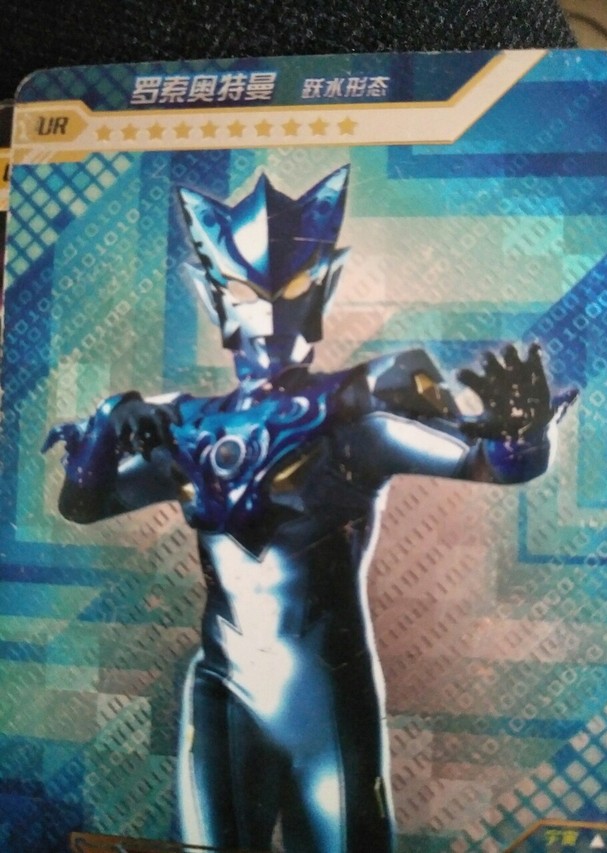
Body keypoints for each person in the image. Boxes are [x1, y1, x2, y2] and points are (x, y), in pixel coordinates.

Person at [43, 165, 573, 852]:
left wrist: (521, 438)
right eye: (245, 294)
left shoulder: (351, 414)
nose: (265, 315)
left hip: (327, 696)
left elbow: (485, 461)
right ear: (214, 296)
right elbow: (82, 505)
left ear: (319, 287)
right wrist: (105, 428)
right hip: (224, 691)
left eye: (287, 291)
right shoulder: (190, 426)